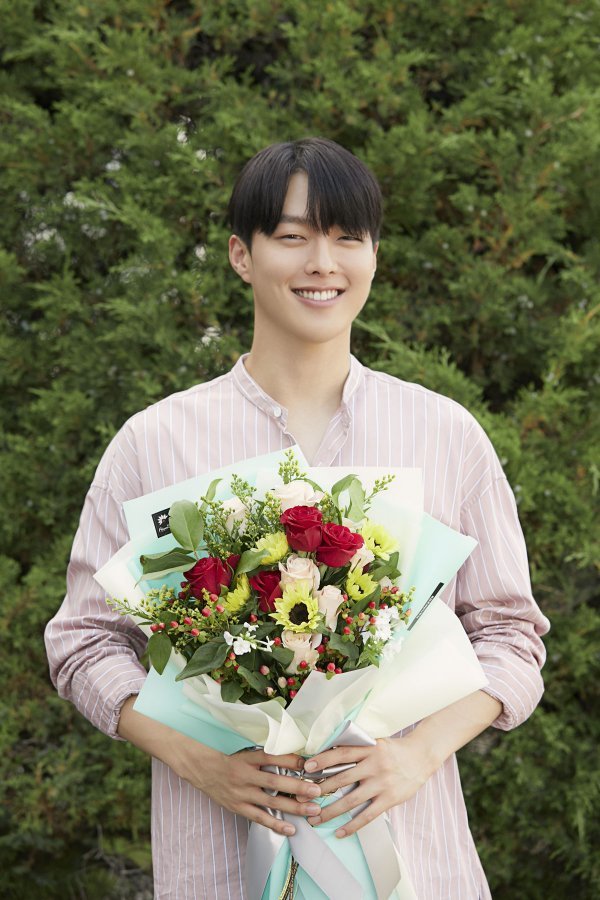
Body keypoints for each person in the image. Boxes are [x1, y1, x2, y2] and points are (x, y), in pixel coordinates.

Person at [45, 137, 550, 899]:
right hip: (220, 861)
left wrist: (415, 755)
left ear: (373, 256)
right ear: (241, 255)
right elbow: (84, 642)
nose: (323, 262)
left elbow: (510, 635)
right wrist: (200, 762)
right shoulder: (156, 442)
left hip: (414, 860)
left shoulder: (444, 435)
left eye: (348, 237)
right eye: (292, 236)